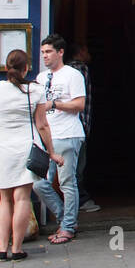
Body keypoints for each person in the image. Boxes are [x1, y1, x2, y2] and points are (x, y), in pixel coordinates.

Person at [0, 49, 60, 261]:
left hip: (3, 146)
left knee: (4, 199)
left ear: (6, 66)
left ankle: (1, 248)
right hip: (27, 145)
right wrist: (51, 151)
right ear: (26, 68)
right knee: (23, 197)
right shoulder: (34, 91)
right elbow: (42, 125)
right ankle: (17, 248)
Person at [32, 33, 86, 245]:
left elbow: (80, 105)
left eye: (48, 52)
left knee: (67, 182)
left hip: (68, 133)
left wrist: (54, 104)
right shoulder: (40, 78)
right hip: (46, 136)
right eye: (43, 52)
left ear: (60, 52)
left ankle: (68, 227)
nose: (45, 56)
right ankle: (66, 218)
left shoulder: (72, 75)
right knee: (39, 183)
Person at [68, 43, 98, 214]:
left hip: (68, 126)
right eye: (86, 49)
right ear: (79, 52)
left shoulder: (66, 70)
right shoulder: (81, 69)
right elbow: (83, 102)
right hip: (78, 125)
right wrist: (85, 125)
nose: (89, 53)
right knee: (78, 167)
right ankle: (79, 201)